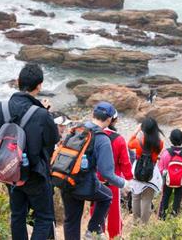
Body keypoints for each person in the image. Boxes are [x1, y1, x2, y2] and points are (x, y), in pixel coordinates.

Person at [0, 64, 60, 240]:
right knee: (44, 217)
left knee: (17, 215)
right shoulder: (42, 115)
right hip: (35, 173)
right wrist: (44, 112)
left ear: (18, 82)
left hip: (9, 172)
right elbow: (53, 139)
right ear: (39, 86)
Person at [61, 101, 129, 240]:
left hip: (66, 179)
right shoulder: (102, 138)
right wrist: (124, 184)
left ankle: (89, 231)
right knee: (107, 196)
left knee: (71, 221)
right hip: (84, 183)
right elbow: (106, 173)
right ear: (110, 119)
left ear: (93, 114)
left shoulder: (77, 129)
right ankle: (92, 229)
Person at [94, 110, 133, 239]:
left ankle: (97, 235)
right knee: (114, 215)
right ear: (113, 121)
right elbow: (126, 163)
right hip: (113, 183)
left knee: (96, 213)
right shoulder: (119, 139)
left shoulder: (92, 135)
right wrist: (128, 181)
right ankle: (114, 237)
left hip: (94, 182)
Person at [128, 117, 164, 224]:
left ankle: (135, 221)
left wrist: (136, 131)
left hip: (137, 171)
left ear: (143, 129)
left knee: (135, 197)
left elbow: (129, 144)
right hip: (151, 174)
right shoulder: (160, 143)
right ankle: (144, 225)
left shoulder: (139, 142)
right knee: (147, 200)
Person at [158, 129, 182, 219]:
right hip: (181, 181)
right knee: (177, 198)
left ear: (171, 139)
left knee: (165, 197)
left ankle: (162, 216)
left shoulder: (166, 153)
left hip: (168, 180)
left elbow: (161, 169)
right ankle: (174, 215)